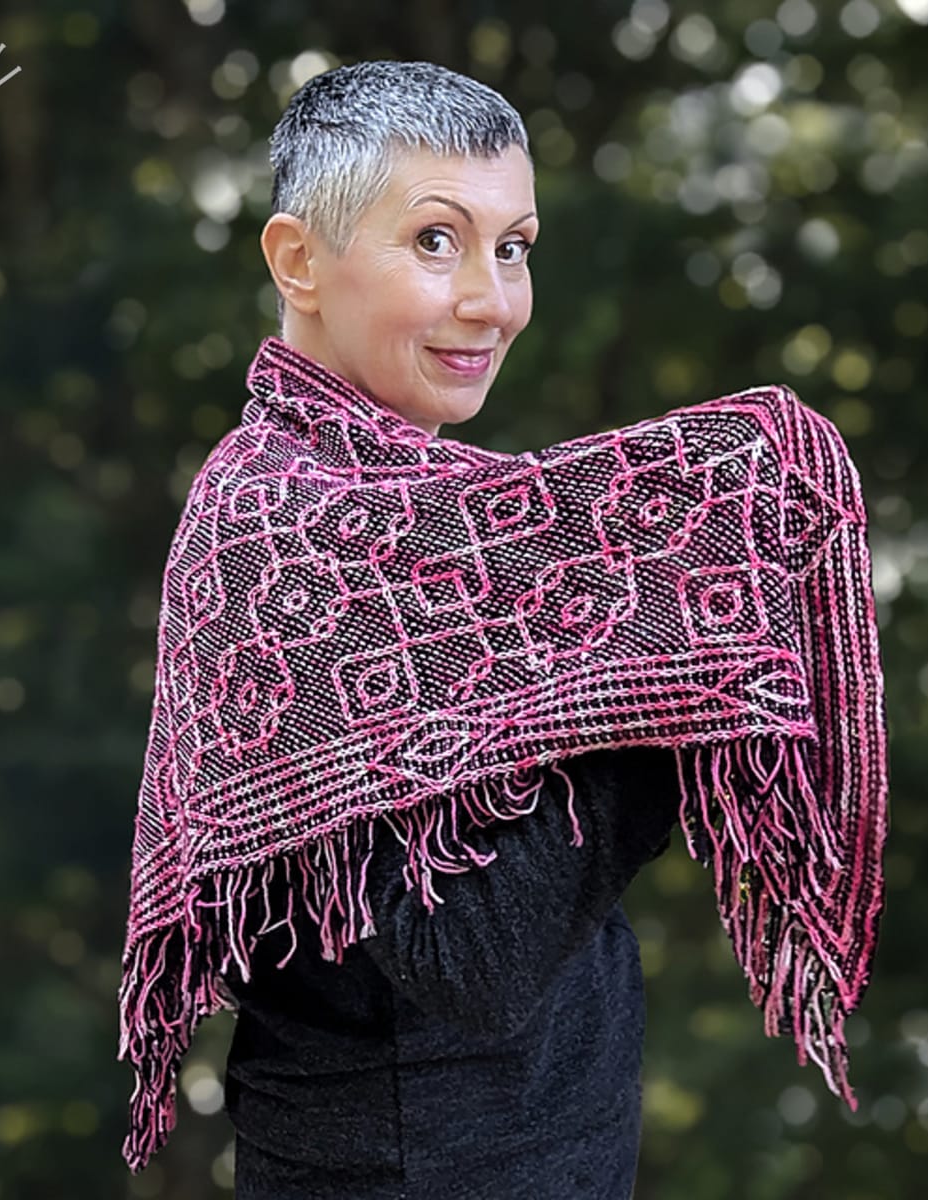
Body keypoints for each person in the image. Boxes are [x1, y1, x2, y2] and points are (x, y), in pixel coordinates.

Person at [216, 61, 685, 1200]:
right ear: (298, 261)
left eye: (513, 248)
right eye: (437, 241)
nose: (494, 300)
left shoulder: (439, 524)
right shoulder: (292, 530)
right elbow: (466, 956)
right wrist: (683, 673)